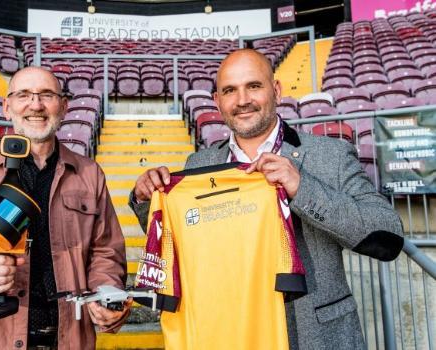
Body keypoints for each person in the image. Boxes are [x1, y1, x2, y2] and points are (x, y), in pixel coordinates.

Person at [129, 49, 404, 349]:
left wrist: (303, 188)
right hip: (230, 336)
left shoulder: (331, 156)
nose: (243, 100)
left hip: (314, 339)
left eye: (254, 86)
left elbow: (388, 234)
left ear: (276, 90)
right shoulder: (198, 164)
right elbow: (182, 238)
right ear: (217, 101)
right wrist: (147, 200)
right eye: (230, 90)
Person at [0, 66, 130, 350]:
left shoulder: (90, 174)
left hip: (68, 340)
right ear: (7, 107)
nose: (36, 105)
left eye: (46, 95)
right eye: (23, 95)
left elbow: (106, 252)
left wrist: (104, 294)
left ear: (64, 106)